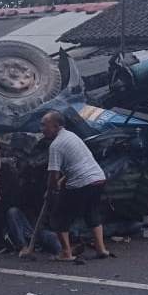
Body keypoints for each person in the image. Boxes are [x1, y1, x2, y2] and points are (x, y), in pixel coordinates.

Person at [41, 110, 111, 261]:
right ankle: (101, 249)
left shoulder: (56, 145)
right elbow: (76, 165)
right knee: (91, 213)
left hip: (82, 183)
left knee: (59, 216)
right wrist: (60, 184)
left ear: (56, 126)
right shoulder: (72, 136)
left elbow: (53, 174)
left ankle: (66, 253)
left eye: (44, 125)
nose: (42, 129)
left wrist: (51, 191)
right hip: (97, 179)